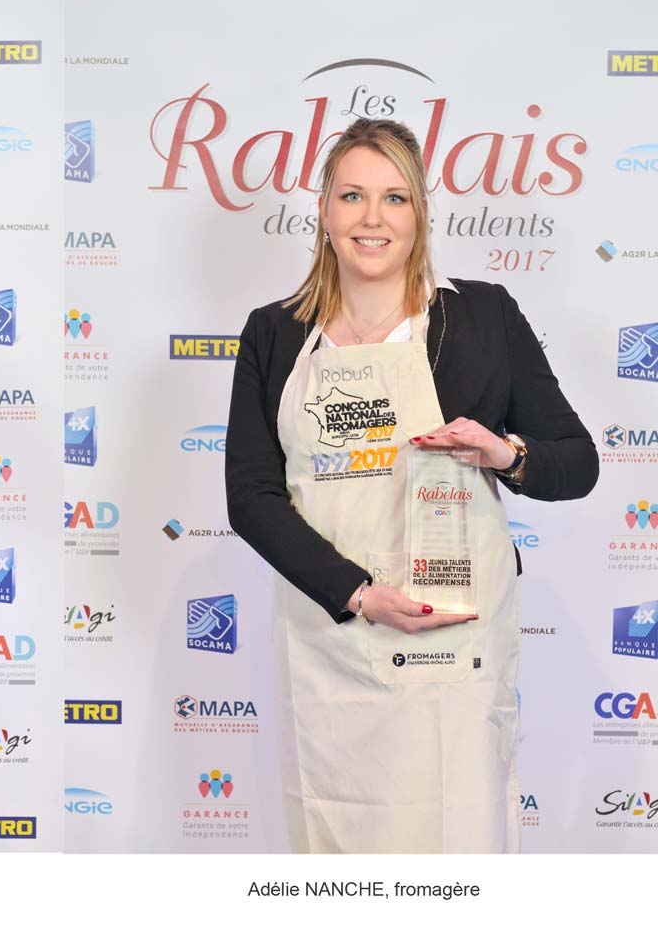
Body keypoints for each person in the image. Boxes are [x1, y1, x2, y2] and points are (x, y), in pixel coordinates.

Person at [225, 117, 597, 853]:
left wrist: (504, 452)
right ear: (325, 212)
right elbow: (251, 495)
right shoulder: (274, 333)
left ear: (420, 212)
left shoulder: (483, 316)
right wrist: (358, 591)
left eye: (395, 197)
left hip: (451, 646)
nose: (373, 217)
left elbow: (575, 460)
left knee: (455, 844)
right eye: (353, 195)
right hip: (333, 641)